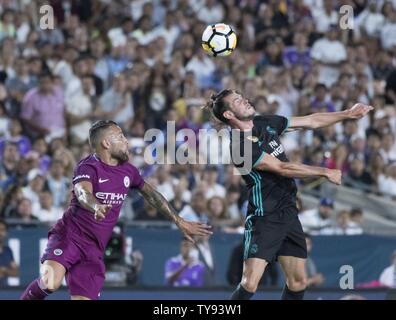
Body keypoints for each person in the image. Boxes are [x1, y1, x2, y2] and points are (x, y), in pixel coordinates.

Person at [204, 89, 372, 300]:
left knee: (298, 282)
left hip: (288, 212)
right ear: (229, 115)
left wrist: (347, 113)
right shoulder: (240, 148)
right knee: (249, 283)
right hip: (264, 217)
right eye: (238, 101)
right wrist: (324, 171)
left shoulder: (264, 122)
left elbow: (309, 121)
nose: (246, 100)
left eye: (243, 97)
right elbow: (282, 168)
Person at [21, 120, 212, 300]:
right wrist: (96, 205)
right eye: (120, 137)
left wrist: (179, 221)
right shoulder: (88, 166)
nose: (126, 141)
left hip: (95, 248)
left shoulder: (128, 171)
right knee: (50, 282)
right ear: (106, 143)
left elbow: (152, 195)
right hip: (70, 236)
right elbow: (82, 191)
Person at [0, 219, 19, 287]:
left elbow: (16, 272)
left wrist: (4, 271)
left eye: (2, 230)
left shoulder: (8, 250)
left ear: (6, 233)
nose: (0, 233)